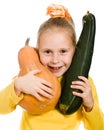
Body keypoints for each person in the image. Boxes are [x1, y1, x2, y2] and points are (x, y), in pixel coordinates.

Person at [0, 4, 104, 130]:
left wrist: (90, 105)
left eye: (63, 51)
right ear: (38, 51)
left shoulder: (82, 83)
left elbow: (99, 128)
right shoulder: (29, 77)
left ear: (75, 51)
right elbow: (2, 108)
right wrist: (17, 86)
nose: (55, 60)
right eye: (48, 52)